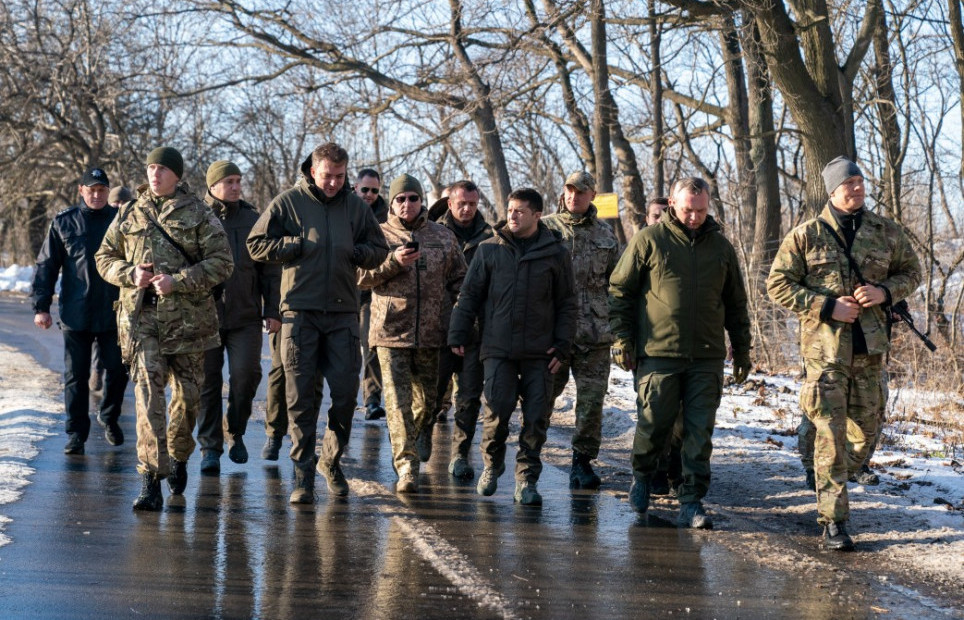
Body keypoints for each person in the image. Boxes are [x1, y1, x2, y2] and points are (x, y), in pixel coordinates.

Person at [767, 156, 921, 551]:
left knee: (864, 435)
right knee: (830, 438)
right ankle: (834, 520)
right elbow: (778, 285)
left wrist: (884, 293)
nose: (857, 188)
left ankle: (821, 469)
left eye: (859, 181)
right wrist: (825, 306)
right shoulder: (806, 235)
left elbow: (912, 273)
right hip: (824, 354)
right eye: (848, 183)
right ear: (832, 191)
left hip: (870, 352)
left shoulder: (886, 231)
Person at [247, 142, 388, 504]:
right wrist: (292, 245)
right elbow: (256, 244)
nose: (334, 183)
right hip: (299, 313)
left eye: (340, 177)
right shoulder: (288, 202)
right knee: (300, 398)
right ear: (313, 171)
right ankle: (303, 472)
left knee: (344, 394)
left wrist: (357, 253)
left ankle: (331, 460)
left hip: (343, 313)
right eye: (328, 176)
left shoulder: (355, 207)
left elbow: (379, 249)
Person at [609, 176, 752, 529]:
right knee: (654, 424)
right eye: (688, 210)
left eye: (701, 210)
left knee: (699, 432)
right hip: (658, 353)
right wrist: (623, 339)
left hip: (706, 356)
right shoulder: (649, 241)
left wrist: (743, 349)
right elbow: (620, 292)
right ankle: (642, 478)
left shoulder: (721, 248)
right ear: (673, 204)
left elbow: (736, 303)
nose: (694, 217)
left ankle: (691, 500)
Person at [96, 147, 233, 511]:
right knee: (148, 398)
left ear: (176, 174)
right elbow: (104, 258)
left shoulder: (200, 213)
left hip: (189, 325)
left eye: (162, 169)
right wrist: (130, 274)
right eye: (151, 167)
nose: (154, 174)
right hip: (141, 322)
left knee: (187, 401)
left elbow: (223, 263)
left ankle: (178, 455)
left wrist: (180, 280)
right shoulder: (130, 211)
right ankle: (149, 479)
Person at [449, 188, 577, 506]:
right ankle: (492, 467)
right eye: (510, 209)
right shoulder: (489, 250)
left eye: (520, 210)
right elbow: (470, 296)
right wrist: (458, 334)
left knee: (536, 418)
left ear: (537, 215)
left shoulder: (556, 254)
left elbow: (568, 304)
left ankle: (527, 480)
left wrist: (562, 346)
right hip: (497, 349)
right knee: (497, 413)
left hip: (540, 353)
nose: (512, 215)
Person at [358, 174, 466, 493]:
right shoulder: (376, 235)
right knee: (397, 403)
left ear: (423, 201)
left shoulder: (443, 237)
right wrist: (393, 261)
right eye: (401, 199)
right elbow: (360, 277)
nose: (408, 204)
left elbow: (460, 280)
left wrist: (460, 314)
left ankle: (421, 436)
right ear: (391, 203)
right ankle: (406, 467)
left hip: (433, 332)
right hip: (390, 332)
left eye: (413, 198)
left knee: (428, 403)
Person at [32, 167, 130, 455]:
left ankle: (109, 416)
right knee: (76, 376)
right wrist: (41, 306)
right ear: (81, 191)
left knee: (118, 370)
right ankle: (76, 433)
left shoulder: (120, 221)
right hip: (76, 313)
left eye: (102, 190)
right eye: (92, 190)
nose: (97, 195)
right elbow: (46, 266)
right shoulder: (64, 222)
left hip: (114, 313)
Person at [197, 161, 281, 474]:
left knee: (246, 376)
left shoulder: (252, 218)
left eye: (238, 180)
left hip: (246, 316)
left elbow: (270, 269)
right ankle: (210, 448)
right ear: (213, 186)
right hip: (205, 317)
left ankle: (236, 432)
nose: (235, 186)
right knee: (208, 384)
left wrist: (272, 309)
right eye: (229, 181)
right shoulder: (197, 216)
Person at [542, 172, 619, 489]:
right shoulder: (544, 229)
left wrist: (617, 325)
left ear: (592, 195)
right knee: (541, 397)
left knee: (591, 403)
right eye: (570, 190)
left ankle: (582, 463)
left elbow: (617, 283)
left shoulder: (606, 234)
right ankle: (529, 453)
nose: (574, 196)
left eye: (581, 191)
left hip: (595, 334)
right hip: (552, 334)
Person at [434, 180, 493, 480]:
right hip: (438, 328)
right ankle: (421, 431)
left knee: (469, 397)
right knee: (431, 391)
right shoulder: (433, 232)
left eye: (472, 203)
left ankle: (460, 453)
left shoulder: (491, 237)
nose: (467, 209)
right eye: (461, 204)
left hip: (475, 331)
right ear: (450, 202)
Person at [355, 168, 390, 420]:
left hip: (371, 289)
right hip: (342, 288)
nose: (369, 194)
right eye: (365, 189)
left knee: (370, 345)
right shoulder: (342, 208)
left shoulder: (387, 216)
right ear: (356, 187)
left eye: (374, 190)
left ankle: (371, 400)